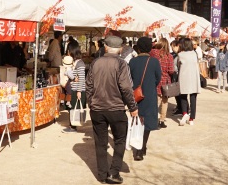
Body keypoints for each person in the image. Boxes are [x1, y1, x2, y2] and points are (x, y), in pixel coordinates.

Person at [86, 35, 138, 185]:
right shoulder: (122, 64)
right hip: (116, 108)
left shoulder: (95, 62)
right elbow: (127, 88)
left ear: (105, 47)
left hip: (97, 109)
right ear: (121, 49)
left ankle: (102, 174)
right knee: (120, 140)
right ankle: (114, 173)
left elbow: (88, 86)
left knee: (100, 142)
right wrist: (133, 106)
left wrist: (91, 102)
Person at [128, 37, 162, 160]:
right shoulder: (154, 61)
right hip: (149, 94)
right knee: (147, 123)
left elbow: (129, 78)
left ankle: (137, 148)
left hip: (135, 95)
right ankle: (142, 148)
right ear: (149, 48)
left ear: (138, 47)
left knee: (137, 121)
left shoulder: (132, 62)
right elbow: (159, 78)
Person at [149, 37, 174, 128]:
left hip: (155, 79)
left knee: (155, 101)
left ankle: (153, 120)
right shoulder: (169, 56)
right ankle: (162, 120)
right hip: (165, 81)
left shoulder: (153, 53)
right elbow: (171, 70)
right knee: (164, 101)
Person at [62, 40, 86, 133]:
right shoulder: (75, 62)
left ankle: (73, 127)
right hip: (74, 88)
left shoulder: (80, 63)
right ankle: (72, 125)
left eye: (68, 50)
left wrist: (79, 91)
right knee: (72, 108)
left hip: (77, 89)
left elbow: (82, 78)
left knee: (74, 108)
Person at [177, 37, 201, 126]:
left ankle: (185, 113)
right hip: (194, 78)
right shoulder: (194, 54)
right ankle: (191, 119)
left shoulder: (180, 55)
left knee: (183, 96)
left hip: (184, 78)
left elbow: (178, 65)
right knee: (193, 98)